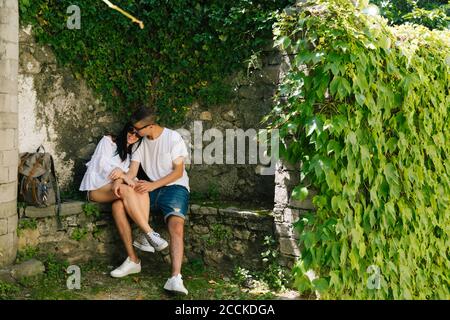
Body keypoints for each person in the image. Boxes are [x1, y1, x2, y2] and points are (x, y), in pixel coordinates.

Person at [111, 106, 190, 295]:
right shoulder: (140, 143)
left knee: (176, 225)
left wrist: (153, 186)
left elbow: (178, 171)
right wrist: (122, 177)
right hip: (150, 188)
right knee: (117, 204)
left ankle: (175, 278)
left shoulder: (173, 138)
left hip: (175, 187)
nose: (135, 133)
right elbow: (132, 170)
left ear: (151, 126)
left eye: (138, 129)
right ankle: (133, 260)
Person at [79, 123, 169, 278]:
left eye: (137, 135)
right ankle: (148, 232)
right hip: (95, 188)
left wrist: (121, 178)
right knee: (128, 189)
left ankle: (133, 260)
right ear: (125, 129)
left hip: (114, 190)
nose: (132, 136)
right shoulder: (109, 141)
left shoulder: (131, 153)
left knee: (135, 192)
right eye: (130, 131)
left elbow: (129, 175)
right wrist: (121, 176)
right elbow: (101, 164)